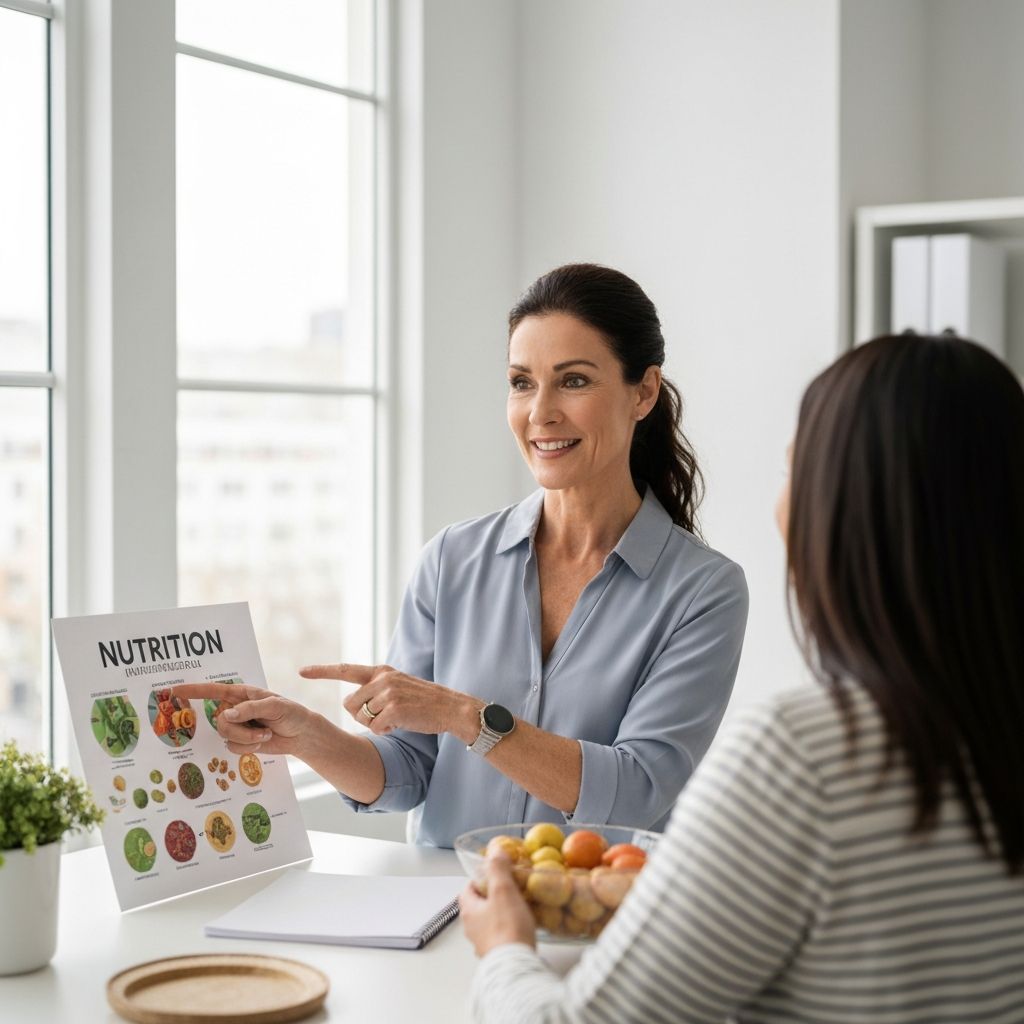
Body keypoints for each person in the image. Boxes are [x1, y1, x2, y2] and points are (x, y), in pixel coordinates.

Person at [460, 333, 1024, 1022]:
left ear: (841, 513)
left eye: (794, 473)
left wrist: (503, 951)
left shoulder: (803, 756)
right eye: (521, 380)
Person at [174, 264, 748, 847]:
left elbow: (633, 791)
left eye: (573, 381)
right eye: (522, 382)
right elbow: (409, 770)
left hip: (594, 921)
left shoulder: (703, 592)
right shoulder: (452, 559)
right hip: (445, 915)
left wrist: (465, 717)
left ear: (643, 392)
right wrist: (308, 736)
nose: (540, 412)